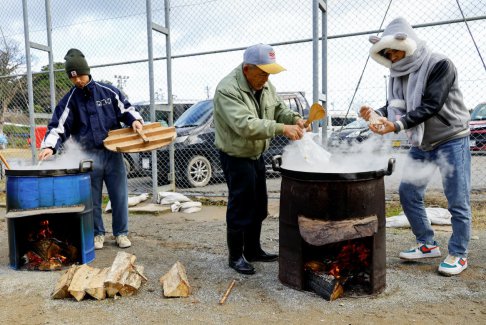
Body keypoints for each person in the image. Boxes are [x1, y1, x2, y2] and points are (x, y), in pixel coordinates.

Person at [360, 17, 471, 276]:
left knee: (457, 198)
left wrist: (396, 126)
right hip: (422, 141)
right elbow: (394, 106)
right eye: (387, 54)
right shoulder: (397, 74)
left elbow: (431, 105)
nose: (392, 57)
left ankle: (459, 253)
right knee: (408, 192)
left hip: (452, 137)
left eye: (394, 51)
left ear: (406, 43)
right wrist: (374, 113)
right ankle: (426, 244)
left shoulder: (439, 64)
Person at [213, 43, 307, 275]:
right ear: (247, 69)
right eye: (263, 72)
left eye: (269, 73)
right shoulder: (227, 89)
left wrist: (294, 118)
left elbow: (277, 110)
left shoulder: (265, 84)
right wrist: (281, 129)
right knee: (240, 204)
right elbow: (245, 125)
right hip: (235, 155)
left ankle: (253, 250)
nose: (266, 78)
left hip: (255, 153)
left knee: (258, 205)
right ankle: (235, 256)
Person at [38, 48, 144, 250]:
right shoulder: (70, 101)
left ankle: (121, 233)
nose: (77, 81)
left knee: (119, 195)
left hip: (113, 152)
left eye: (80, 75)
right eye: (73, 78)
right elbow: (58, 127)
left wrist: (135, 121)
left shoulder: (108, 91)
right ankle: (97, 234)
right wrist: (50, 146)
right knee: (92, 197)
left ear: (87, 71)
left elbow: (127, 109)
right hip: (88, 156)